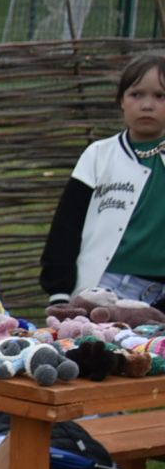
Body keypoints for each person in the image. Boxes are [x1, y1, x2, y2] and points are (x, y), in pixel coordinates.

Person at [40, 51, 165, 307]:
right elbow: (67, 225)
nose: (147, 105)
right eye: (136, 94)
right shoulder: (99, 155)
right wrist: (59, 291)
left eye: (160, 96)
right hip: (101, 288)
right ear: (121, 101)